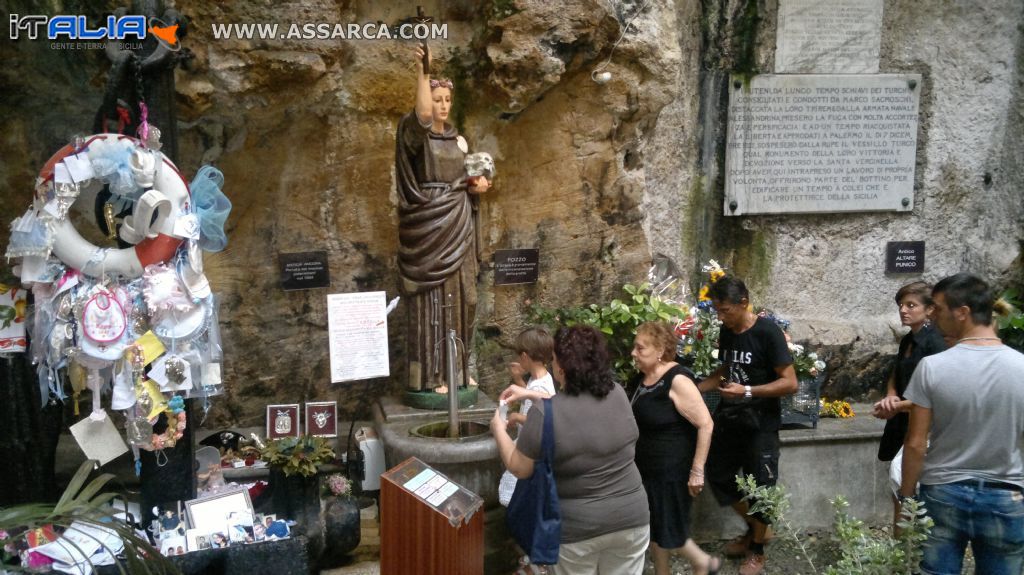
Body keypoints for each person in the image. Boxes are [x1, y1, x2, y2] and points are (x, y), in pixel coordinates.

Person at [492, 325, 650, 574]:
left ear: (562, 368)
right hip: (632, 518)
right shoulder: (617, 394)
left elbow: (519, 467)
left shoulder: (545, 414)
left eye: (554, 360)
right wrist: (529, 392)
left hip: (578, 530)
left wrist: (498, 429)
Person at [900, 273, 1024, 574]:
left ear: (963, 312)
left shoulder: (932, 367)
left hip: (943, 491)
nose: (934, 315)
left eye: (938, 308)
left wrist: (906, 498)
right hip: (1006, 493)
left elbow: (916, 443)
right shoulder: (1021, 367)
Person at [396, 44, 491, 392]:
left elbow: (474, 177)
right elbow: (420, 115)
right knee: (435, 299)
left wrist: (478, 186)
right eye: (437, 99)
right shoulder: (415, 136)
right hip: (430, 220)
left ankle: (458, 369)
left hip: (459, 220)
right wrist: (422, 71)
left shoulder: (460, 140)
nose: (442, 106)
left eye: (447, 100)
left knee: (465, 296)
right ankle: (434, 375)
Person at [695, 276, 796, 575]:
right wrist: (697, 388)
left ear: (743, 302)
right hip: (731, 417)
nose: (720, 316)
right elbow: (728, 369)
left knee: (763, 489)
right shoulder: (728, 331)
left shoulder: (768, 333)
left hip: (760, 424)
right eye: (717, 310)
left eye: (725, 310)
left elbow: (790, 382)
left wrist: (748, 391)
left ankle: (757, 550)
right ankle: (758, 528)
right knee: (718, 474)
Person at [630, 322, 720, 575]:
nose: (633, 353)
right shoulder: (641, 378)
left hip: (672, 470)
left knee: (670, 528)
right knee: (658, 526)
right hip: (648, 468)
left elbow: (706, 424)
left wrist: (697, 471)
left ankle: (703, 562)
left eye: (640, 348)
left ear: (660, 349)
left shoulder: (677, 379)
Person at [871, 281, 945, 530]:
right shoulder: (907, 340)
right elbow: (896, 373)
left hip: (922, 422)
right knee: (898, 485)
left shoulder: (935, 342)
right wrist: (892, 395)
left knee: (908, 485)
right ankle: (900, 541)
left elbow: (935, 395)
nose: (903, 310)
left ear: (929, 310)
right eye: (901, 305)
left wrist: (897, 406)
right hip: (902, 416)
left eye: (911, 305)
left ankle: (907, 543)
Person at [498, 327, 557, 574]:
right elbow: (531, 401)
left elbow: (544, 417)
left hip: (532, 457)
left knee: (518, 508)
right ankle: (531, 557)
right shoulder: (537, 379)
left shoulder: (544, 386)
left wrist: (515, 419)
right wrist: (520, 382)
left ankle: (537, 561)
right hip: (527, 449)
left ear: (525, 356)